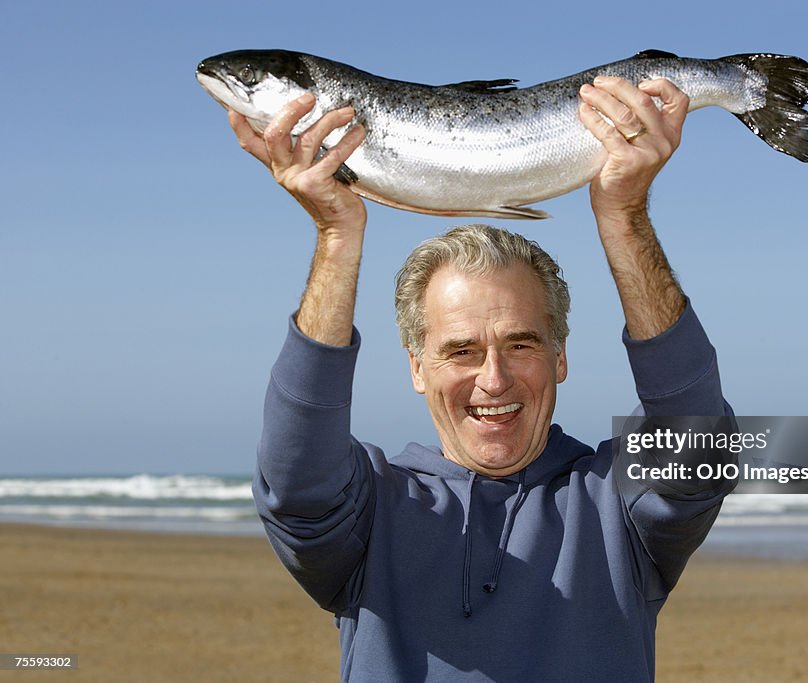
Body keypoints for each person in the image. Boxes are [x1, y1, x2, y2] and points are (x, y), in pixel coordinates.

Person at [229, 75, 733, 681]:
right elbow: (295, 480)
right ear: (417, 367)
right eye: (461, 351)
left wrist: (623, 214)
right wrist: (337, 234)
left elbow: (701, 445)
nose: (493, 380)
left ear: (561, 357)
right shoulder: (370, 515)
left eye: (520, 344)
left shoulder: (618, 506)